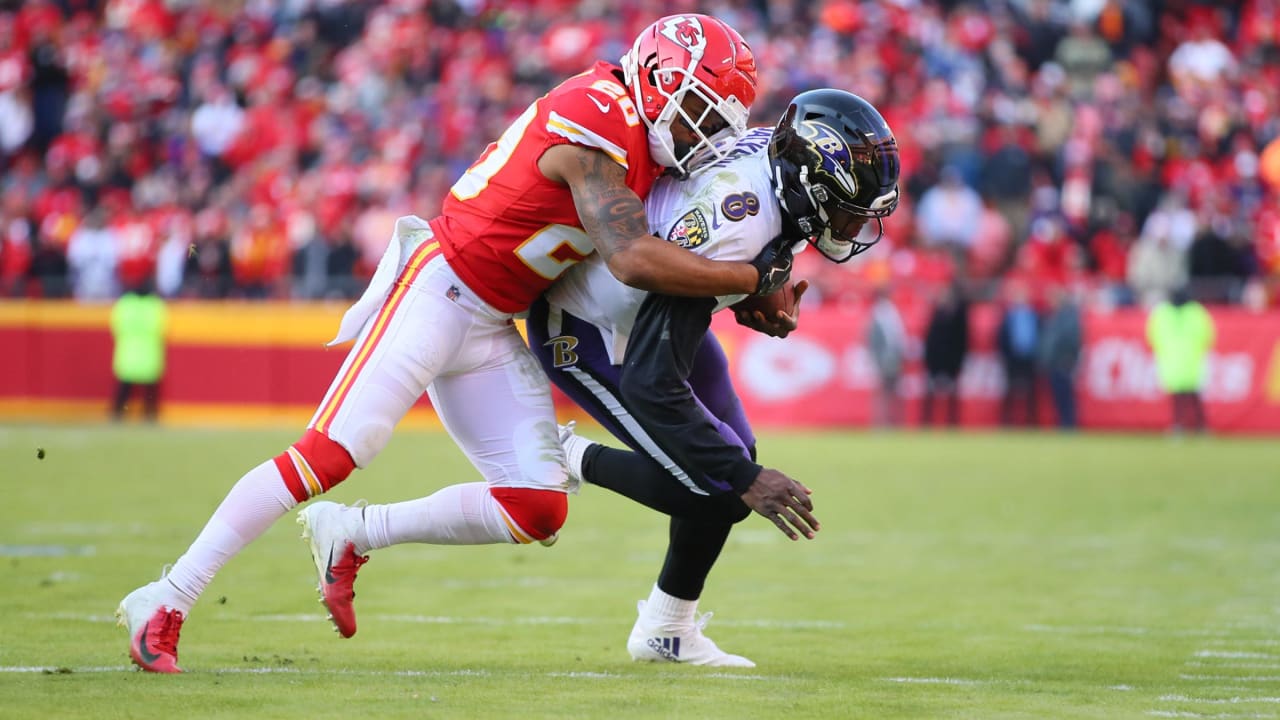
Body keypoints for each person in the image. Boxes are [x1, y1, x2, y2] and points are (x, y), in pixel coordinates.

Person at [116, 14, 794, 674]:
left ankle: (353, 531)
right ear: (656, 79)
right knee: (330, 453)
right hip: (441, 288)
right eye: (697, 111)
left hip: (495, 320)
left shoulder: (646, 136)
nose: (701, 133)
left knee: (536, 504)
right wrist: (753, 277)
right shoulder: (598, 115)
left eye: (716, 122)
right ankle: (166, 598)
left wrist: (748, 290)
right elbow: (632, 259)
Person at [525, 89, 900, 666]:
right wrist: (742, 475)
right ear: (811, 183)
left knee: (729, 459)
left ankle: (666, 629)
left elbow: (752, 249)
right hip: (592, 330)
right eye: (851, 209)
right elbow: (653, 383)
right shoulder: (739, 225)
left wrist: (757, 294)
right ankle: (564, 454)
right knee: (722, 488)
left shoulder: (781, 177)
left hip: (655, 312)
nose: (856, 227)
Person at [1146, 287, 1215, 434]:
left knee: (1183, 397)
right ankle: (1197, 427)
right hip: (1190, 360)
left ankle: (1184, 426)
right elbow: (1208, 335)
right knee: (1190, 396)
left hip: (1175, 361)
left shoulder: (1163, 312)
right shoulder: (1196, 312)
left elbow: (1152, 335)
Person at [110, 279, 167, 422]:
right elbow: (162, 328)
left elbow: (115, 326)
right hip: (149, 353)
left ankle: (117, 414)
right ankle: (150, 416)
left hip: (127, 353)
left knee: (124, 388)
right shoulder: (155, 305)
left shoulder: (124, 304)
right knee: (149, 391)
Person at [920, 283, 969, 427]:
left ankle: (952, 423)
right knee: (930, 394)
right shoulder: (936, 314)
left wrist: (958, 362)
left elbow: (962, 341)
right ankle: (927, 423)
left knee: (952, 396)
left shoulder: (958, 315)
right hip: (935, 362)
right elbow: (930, 341)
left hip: (951, 362)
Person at [1038, 284, 1083, 429]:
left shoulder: (1068, 316)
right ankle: (1064, 423)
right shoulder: (1053, 315)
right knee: (1058, 396)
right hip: (1053, 362)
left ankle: (1068, 423)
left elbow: (1072, 339)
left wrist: (1069, 358)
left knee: (1065, 395)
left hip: (1063, 361)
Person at [996, 282, 1040, 427]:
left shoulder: (1034, 315)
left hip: (1029, 357)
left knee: (1030, 392)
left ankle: (1030, 421)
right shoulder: (1009, 316)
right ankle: (1007, 421)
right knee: (1009, 390)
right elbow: (1002, 337)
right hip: (1012, 357)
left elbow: (1039, 336)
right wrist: (1005, 354)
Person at [866, 285, 908, 427]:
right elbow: (875, 339)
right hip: (886, 358)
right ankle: (883, 422)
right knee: (885, 392)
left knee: (891, 392)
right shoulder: (881, 313)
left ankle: (891, 421)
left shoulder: (888, 312)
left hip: (892, 357)